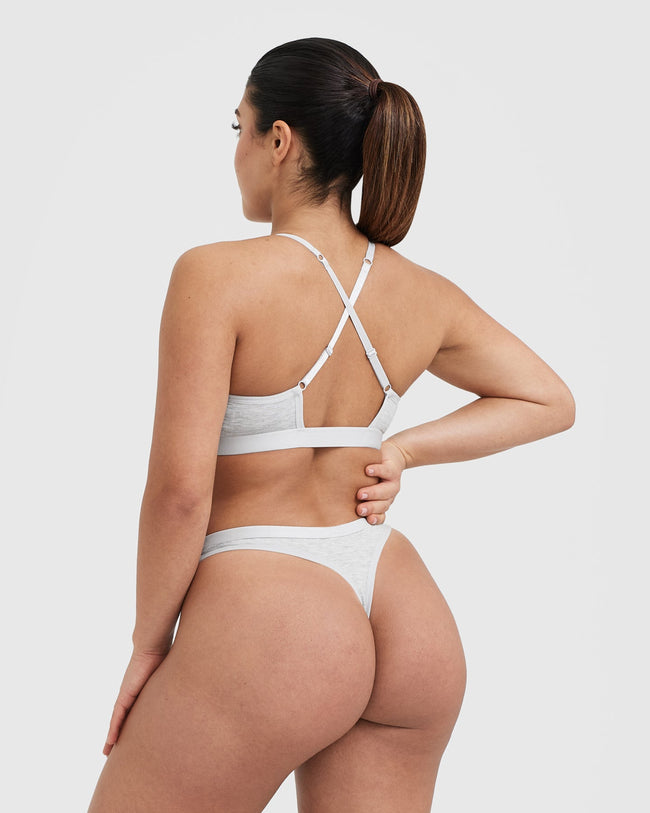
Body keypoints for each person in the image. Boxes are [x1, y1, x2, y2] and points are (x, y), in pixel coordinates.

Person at [87, 36, 575, 813]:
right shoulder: (421, 292)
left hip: (273, 616)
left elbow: (180, 494)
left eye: (240, 126)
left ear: (278, 140)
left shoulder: (215, 276)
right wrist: (401, 449)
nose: (237, 150)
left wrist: (149, 644)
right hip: (403, 608)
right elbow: (548, 398)